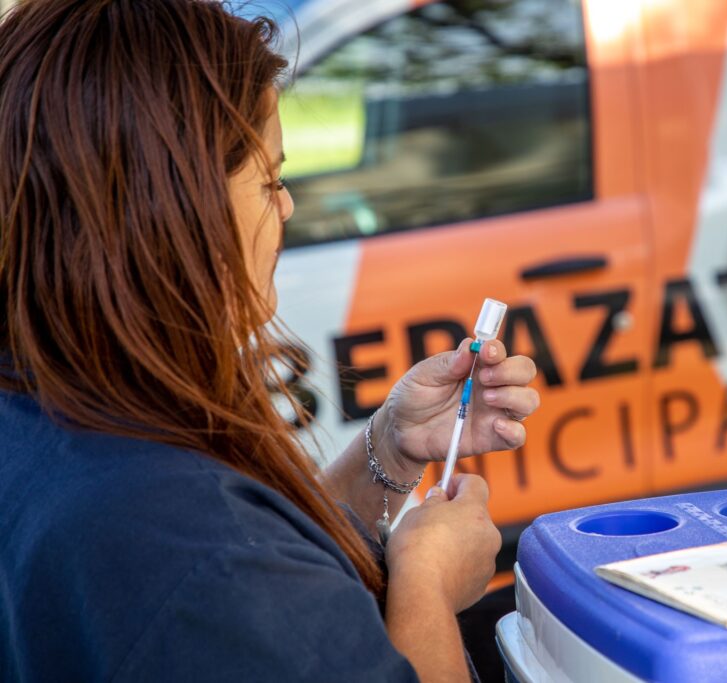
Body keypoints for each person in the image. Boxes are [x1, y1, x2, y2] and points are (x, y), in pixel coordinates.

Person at [0, 1, 539, 681]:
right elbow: (243, 578)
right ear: (173, 209)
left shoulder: (52, 412)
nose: (284, 207)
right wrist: (426, 584)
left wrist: (391, 448)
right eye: (269, 180)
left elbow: (279, 578)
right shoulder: (195, 552)